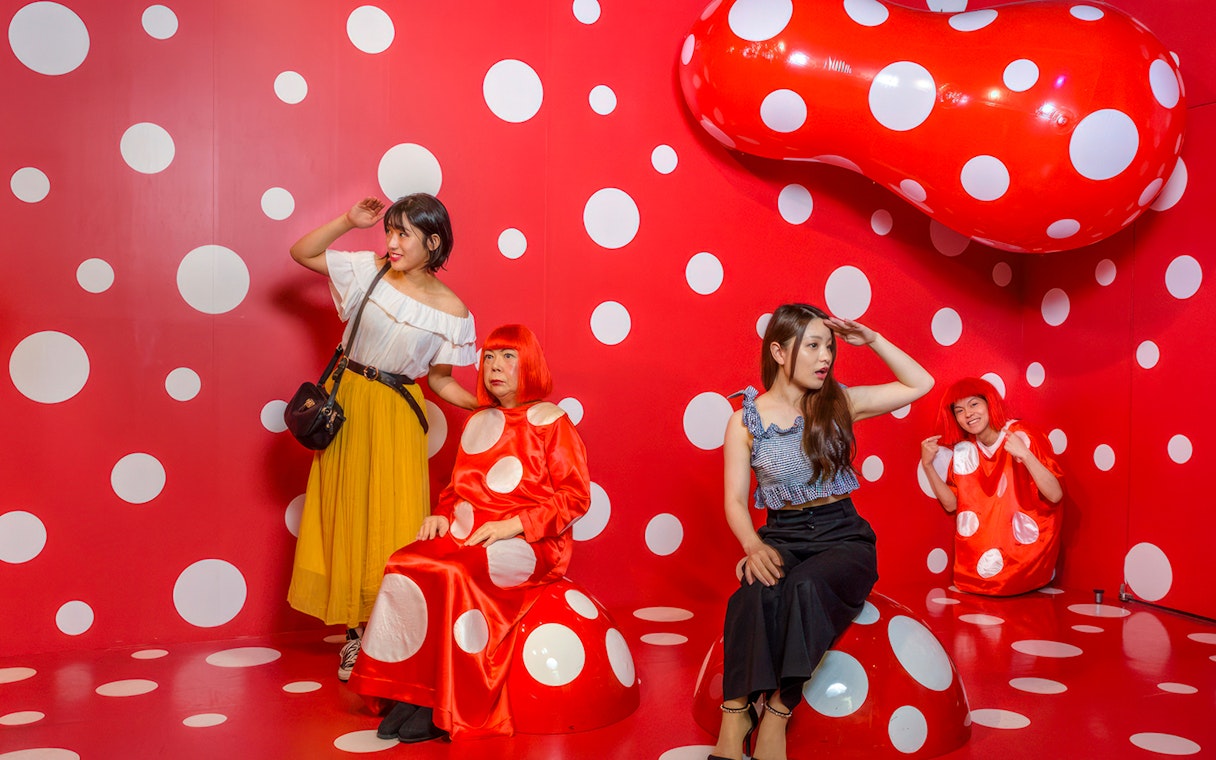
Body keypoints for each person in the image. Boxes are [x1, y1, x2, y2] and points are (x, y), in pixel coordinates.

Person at [347, 324, 591, 743]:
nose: (495, 367)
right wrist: (442, 513)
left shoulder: (553, 423)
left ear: (528, 363)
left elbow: (574, 498)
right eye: (490, 357)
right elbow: (461, 487)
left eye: (508, 357)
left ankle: (446, 699)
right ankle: (412, 689)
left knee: (457, 573)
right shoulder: (481, 420)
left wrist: (512, 526)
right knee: (405, 563)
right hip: (471, 529)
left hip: (530, 541)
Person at [711, 303, 934, 760]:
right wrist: (752, 545)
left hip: (842, 535)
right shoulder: (744, 420)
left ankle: (776, 711)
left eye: (828, 346)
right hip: (783, 535)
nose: (825, 357)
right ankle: (735, 716)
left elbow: (921, 383)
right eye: (812, 346)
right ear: (778, 351)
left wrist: (870, 340)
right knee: (753, 592)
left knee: (806, 587)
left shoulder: (840, 402)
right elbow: (735, 499)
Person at [286, 195, 478, 681]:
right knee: (348, 513)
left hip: (396, 413)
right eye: (388, 232)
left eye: (403, 234)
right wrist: (349, 221)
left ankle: (389, 635)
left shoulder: (452, 310)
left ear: (432, 242)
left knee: (392, 520)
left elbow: (439, 380)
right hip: (349, 403)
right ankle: (355, 638)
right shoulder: (369, 270)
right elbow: (303, 253)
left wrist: (488, 406)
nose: (391, 243)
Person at [919, 377, 1063, 596]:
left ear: (989, 403)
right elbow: (951, 505)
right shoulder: (965, 451)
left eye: (974, 404)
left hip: (1024, 559)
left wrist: (1025, 454)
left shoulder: (1022, 435)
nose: (967, 414)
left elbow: (1055, 494)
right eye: (959, 410)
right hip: (974, 572)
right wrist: (928, 466)